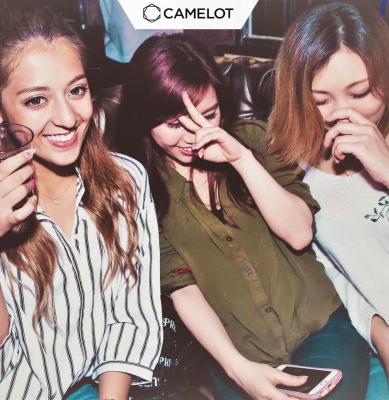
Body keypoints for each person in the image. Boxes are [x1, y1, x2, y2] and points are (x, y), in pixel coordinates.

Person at [118, 33, 369, 400]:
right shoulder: (139, 191)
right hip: (239, 356)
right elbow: (183, 291)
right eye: (173, 124)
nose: (193, 134)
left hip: (320, 326)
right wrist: (239, 369)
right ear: (146, 120)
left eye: (208, 115)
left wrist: (241, 160)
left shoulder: (254, 141)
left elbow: (299, 233)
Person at [0, 5, 162, 400]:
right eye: (36, 100)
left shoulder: (126, 181)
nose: (67, 118)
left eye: (77, 90)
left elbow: (129, 319)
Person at [267, 2, 389, 399]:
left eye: (360, 92)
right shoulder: (290, 174)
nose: (342, 114)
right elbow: (333, 281)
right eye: (321, 100)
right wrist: (380, 334)